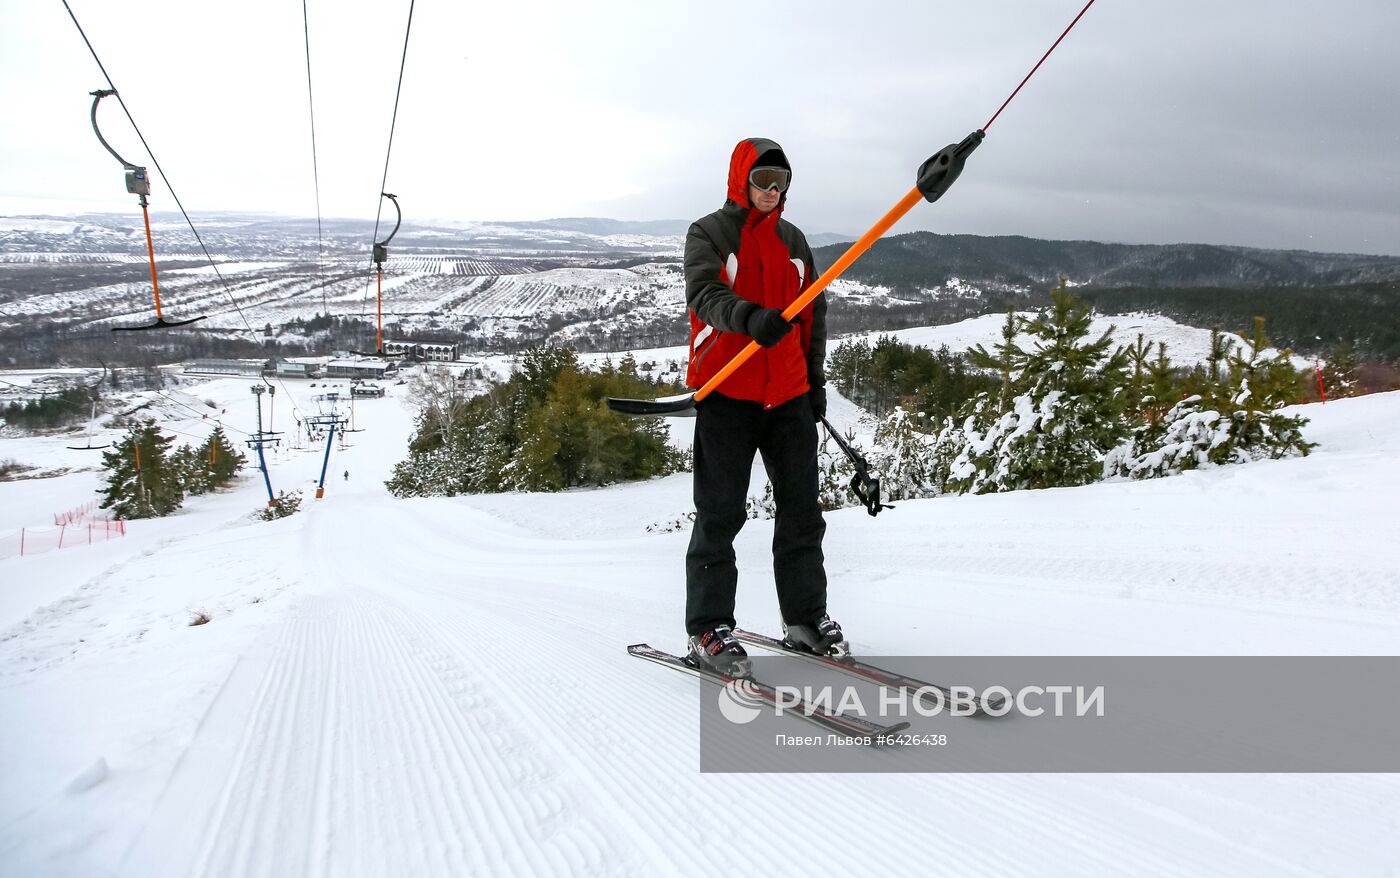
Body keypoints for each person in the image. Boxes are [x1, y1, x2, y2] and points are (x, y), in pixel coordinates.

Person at [682, 137, 846, 675]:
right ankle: (709, 628)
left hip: (790, 398)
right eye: (762, 181)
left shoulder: (796, 242)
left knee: (802, 514)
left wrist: (814, 383)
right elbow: (704, 295)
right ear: (741, 180)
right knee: (720, 514)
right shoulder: (709, 233)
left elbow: (811, 319)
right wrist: (750, 317)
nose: (772, 192)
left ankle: (805, 619)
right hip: (728, 393)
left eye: (781, 183)